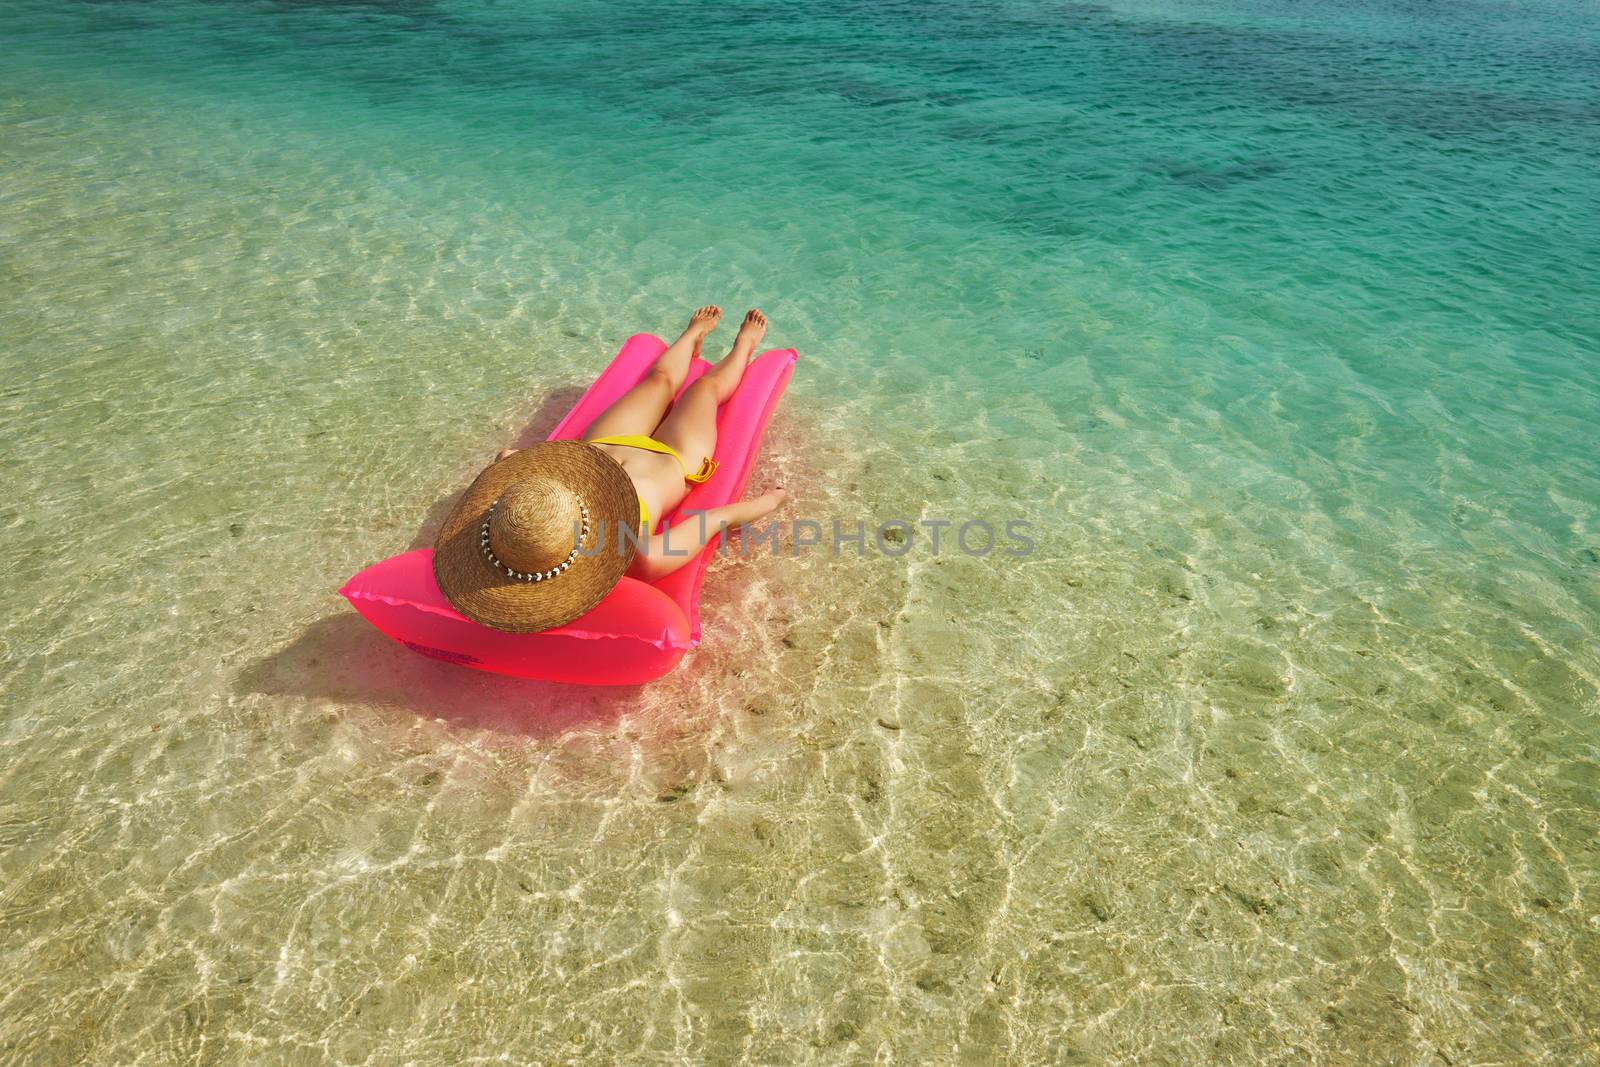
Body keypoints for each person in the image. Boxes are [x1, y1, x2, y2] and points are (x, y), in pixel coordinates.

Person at [430, 308, 786, 633]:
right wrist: (770, 503)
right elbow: (711, 522)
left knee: (659, 380)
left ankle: (692, 336)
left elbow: (506, 455)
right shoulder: (639, 557)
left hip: (603, 446)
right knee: (704, 390)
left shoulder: (530, 511)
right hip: (674, 457)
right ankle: (744, 347)